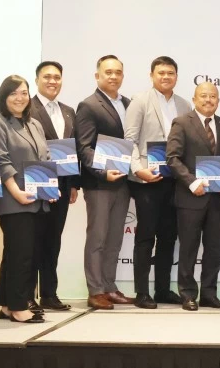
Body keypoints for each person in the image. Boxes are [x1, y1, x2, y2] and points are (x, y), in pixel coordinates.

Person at [124, 56, 191, 309]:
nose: (166, 77)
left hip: (173, 181)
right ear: (152, 75)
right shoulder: (139, 101)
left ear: (176, 76)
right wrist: (138, 169)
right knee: (145, 237)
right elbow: (129, 139)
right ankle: (142, 292)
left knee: (168, 237)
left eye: (171, 73)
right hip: (146, 180)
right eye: (161, 72)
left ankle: (162, 289)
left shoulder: (184, 105)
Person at [0, 75, 53, 324]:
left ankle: (6, 303)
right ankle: (18, 307)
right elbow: (0, 159)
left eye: (24, 92)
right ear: (4, 96)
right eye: (13, 93)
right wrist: (16, 192)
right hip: (13, 200)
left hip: (37, 199)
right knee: (21, 254)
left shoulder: (34, 124)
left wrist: (48, 189)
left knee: (21, 252)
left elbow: (44, 159)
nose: (19, 98)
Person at [166, 82, 220, 311]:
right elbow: (172, 158)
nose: (208, 100)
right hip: (190, 198)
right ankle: (187, 294)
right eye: (203, 96)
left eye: (213, 96)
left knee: (214, 249)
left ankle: (209, 294)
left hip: (217, 199)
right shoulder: (182, 122)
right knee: (188, 248)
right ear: (194, 99)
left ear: (218, 100)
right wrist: (192, 181)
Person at [75, 55, 133, 310]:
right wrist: (102, 172)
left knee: (114, 239)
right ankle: (95, 290)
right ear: (97, 75)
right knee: (97, 237)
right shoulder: (88, 105)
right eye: (108, 72)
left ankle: (109, 286)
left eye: (118, 72)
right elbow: (84, 147)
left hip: (124, 182)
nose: (113, 76)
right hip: (100, 183)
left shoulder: (129, 104)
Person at [29, 61, 79, 312]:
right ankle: (27, 295)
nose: (52, 81)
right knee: (33, 239)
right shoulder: (26, 107)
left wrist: (73, 184)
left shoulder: (69, 111)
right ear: (37, 79)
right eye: (47, 77)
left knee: (53, 240)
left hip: (62, 184)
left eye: (57, 77)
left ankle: (49, 293)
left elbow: (74, 149)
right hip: (35, 182)